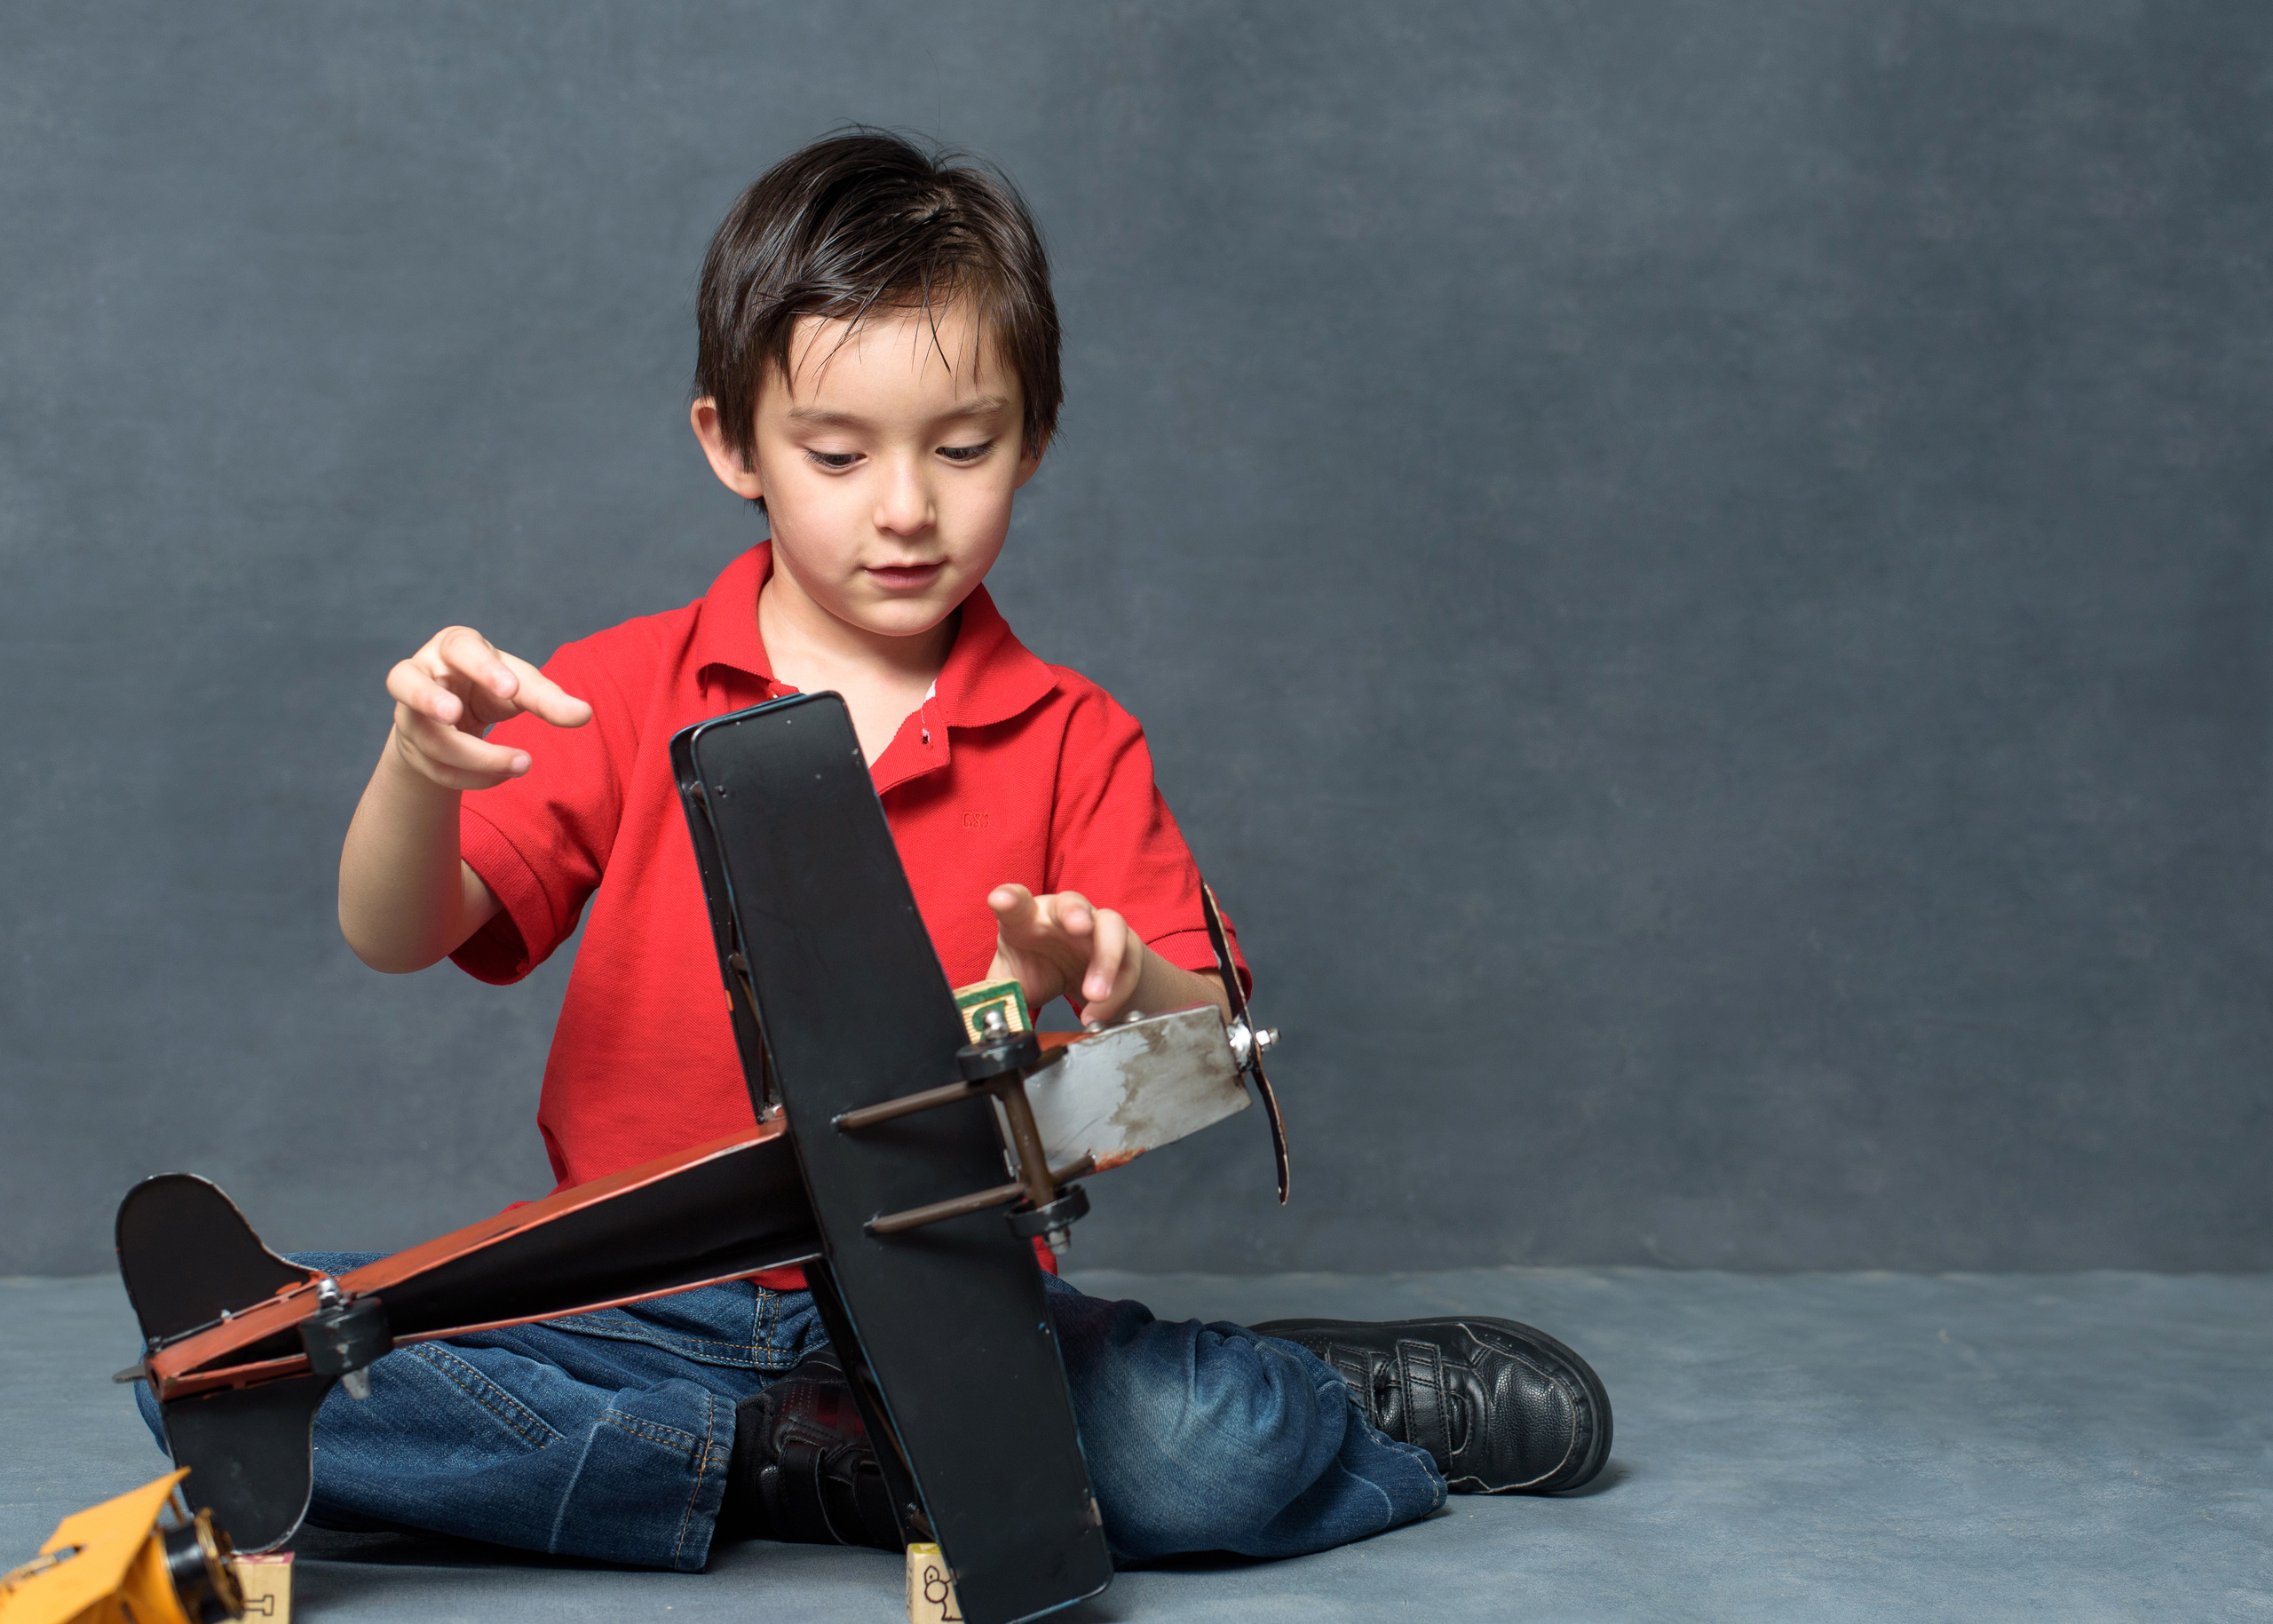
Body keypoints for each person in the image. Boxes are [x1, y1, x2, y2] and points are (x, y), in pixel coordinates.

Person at [143, 131, 1610, 1570]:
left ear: (1033, 435)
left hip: (951, 1295)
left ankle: (1305, 1400)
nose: (904, 509)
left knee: (1197, 1457)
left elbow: (1212, 1045)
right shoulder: (631, 685)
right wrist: (416, 767)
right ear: (732, 443)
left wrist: (1117, 975)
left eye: (961, 448)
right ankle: (807, 1463)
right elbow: (397, 928)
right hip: (639, 1304)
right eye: (837, 453)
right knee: (232, 1381)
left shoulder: (1070, 732)